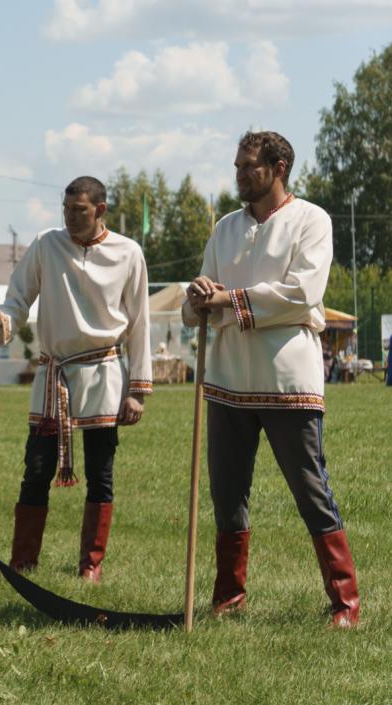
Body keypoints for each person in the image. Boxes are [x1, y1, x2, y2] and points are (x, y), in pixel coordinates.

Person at [183, 130, 359, 627]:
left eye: (249, 167)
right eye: (237, 166)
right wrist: (197, 296)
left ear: (279, 167)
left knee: (310, 490)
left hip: (288, 381)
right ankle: (228, 599)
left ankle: (345, 602)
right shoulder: (225, 228)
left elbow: (302, 293)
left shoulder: (311, 220)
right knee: (227, 493)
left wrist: (228, 300)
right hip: (227, 380)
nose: (239, 174)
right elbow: (197, 303)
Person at [0, 176, 152, 582]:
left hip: (103, 374)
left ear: (100, 210)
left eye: (80, 211)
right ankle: (24, 561)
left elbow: (140, 323)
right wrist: (2, 320)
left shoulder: (128, 253)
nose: (71, 218)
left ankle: (90, 565)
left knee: (101, 471)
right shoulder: (47, 244)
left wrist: (138, 391)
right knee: (36, 468)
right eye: (67, 210)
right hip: (53, 372)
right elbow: (18, 298)